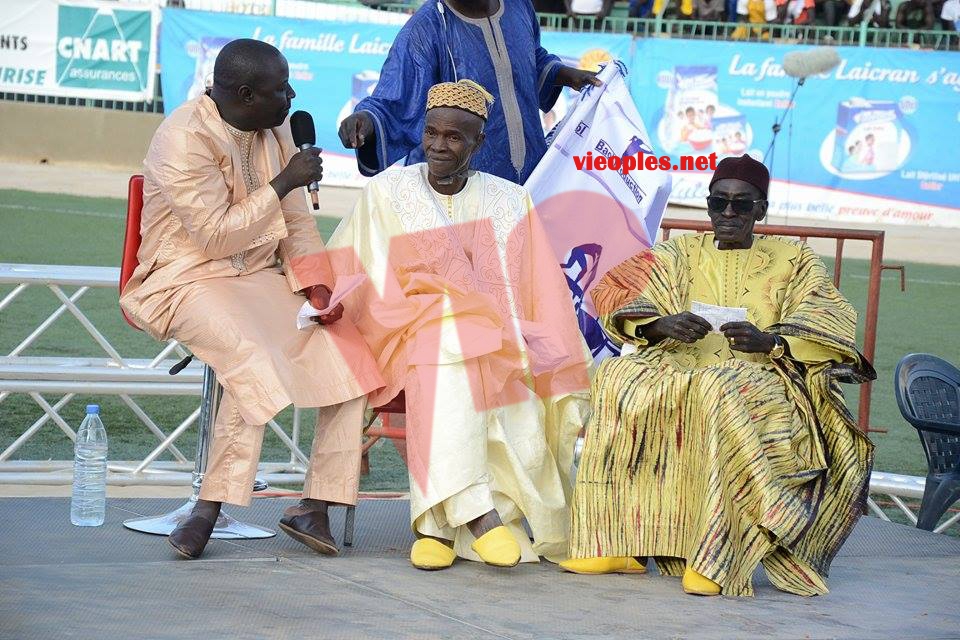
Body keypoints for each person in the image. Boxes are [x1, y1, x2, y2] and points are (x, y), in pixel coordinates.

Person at [561, 155, 875, 597]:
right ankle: (617, 544)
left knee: (718, 387)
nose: (728, 213)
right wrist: (660, 325)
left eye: (741, 205)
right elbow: (615, 291)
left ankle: (715, 558)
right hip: (680, 365)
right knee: (619, 376)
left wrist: (770, 341)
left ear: (760, 210)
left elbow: (827, 320)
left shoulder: (795, 260)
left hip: (764, 378)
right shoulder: (678, 253)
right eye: (718, 202)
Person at [120, 39, 384, 559]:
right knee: (256, 360)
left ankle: (316, 506)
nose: (292, 97)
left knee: (349, 356)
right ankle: (208, 509)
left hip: (259, 277)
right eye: (281, 89)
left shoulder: (276, 129)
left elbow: (297, 224)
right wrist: (285, 181)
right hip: (185, 279)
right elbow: (216, 237)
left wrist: (317, 287)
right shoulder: (183, 137)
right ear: (245, 95)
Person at [327, 80, 590, 571]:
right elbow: (351, 263)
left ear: (478, 142)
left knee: (469, 355)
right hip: (401, 334)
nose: (439, 146)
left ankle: (436, 525)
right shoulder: (389, 192)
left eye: (454, 137)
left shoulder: (510, 200)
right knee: (447, 339)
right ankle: (481, 517)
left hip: (494, 343)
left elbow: (537, 287)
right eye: (432, 133)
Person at [336, 0, 601, 185]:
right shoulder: (426, 28)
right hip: (460, 191)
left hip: (531, 178)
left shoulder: (519, 5)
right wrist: (367, 120)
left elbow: (531, 58)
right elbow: (396, 100)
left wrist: (567, 75)